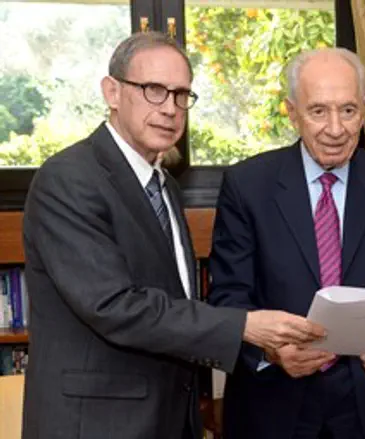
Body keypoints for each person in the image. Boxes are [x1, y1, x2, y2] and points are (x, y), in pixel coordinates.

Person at [21, 31, 325, 439]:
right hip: (97, 424)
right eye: (153, 91)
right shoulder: (69, 179)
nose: (170, 109)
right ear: (112, 92)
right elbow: (115, 306)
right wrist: (244, 327)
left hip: (170, 419)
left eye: (181, 95)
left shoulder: (164, 185)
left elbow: (176, 307)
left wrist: (262, 343)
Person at [207, 47, 365, 439]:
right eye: (318, 111)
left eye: (348, 110)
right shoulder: (248, 185)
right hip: (272, 406)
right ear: (292, 112)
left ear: (363, 109)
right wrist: (269, 352)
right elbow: (228, 299)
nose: (336, 128)